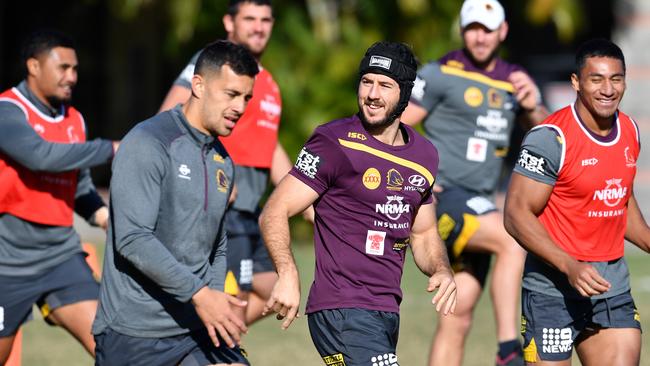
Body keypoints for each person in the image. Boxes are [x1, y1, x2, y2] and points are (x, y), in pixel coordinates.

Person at [259, 41, 457, 365]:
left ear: (405, 94)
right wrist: (288, 273)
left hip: (386, 312)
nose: (373, 94)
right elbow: (275, 210)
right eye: (367, 81)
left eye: (385, 85)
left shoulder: (425, 156)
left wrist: (442, 269)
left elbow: (423, 234)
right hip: (340, 309)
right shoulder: (333, 141)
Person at [400, 0, 549, 364]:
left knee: (457, 316)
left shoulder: (514, 80)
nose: (480, 37)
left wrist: (532, 105)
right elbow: (395, 125)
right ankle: (508, 350)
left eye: (487, 28)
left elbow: (547, 136)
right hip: (447, 198)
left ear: (502, 31)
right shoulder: (440, 73)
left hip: (479, 203)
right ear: (463, 30)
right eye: (472, 28)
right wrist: (418, 175)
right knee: (512, 238)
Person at [92, 40, 258, 366]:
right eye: (231, 94)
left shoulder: (222, 159)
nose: (240, 107)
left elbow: (217, 243)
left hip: (194, 328)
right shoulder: (148, 142)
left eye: (246, 97)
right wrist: (201, 295)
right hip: (134, 332)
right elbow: (132, 238)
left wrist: (212, 303)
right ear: (198, 85)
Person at [504, 39, 647, 365]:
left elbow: (620, 200)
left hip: (610, 289)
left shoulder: (629, 130)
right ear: (576, 82)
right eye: (596, 79)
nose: (608, 89)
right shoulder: (551, 138)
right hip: (550, 294)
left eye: (616, 78)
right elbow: (515, 214)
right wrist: (569, 265)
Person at [159, 0, 298, 326]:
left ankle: (207, 340)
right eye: (249, 18)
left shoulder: (268, 83)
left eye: (265, 20)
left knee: (277, 288)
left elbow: (270, 146)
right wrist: (208, 172)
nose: (258, 27)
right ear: (228, 22)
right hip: (220, 211)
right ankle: (209, 344)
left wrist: (303, 195)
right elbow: (170, 117)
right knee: (226, 305)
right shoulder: (212, 64)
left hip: (252, 214)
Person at [0, 29, 117, 363]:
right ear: (34, 66)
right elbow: (41, 156)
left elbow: (78, 188)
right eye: (63, 67)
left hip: (60, 256)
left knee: (112, 344)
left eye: (75, 69)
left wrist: (106, 217)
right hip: (7, 261)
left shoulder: (74, 120)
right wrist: (110, 149)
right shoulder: (8, 110)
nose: (72, 76)